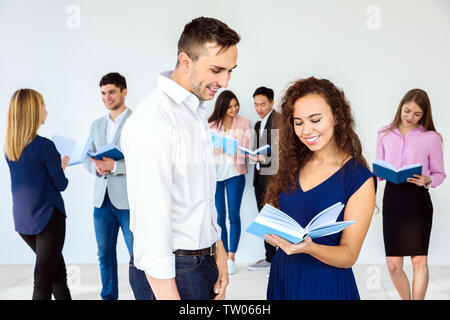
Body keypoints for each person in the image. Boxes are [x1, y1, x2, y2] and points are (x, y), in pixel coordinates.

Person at [121, 17, 240, 300]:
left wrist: (217, 248)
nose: (225, 82)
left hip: (200, 262)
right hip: (172, 272)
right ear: (185, 61)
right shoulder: (154, 120)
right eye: (217, 70)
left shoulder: (194, 110)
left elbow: (199, 197)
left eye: (230, 71)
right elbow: (152, 225)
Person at [263, 77, 376, 300]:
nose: (306, 130)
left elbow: (349, 255)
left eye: (315, 119)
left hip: (325, 284)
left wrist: (309, 247)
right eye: (298, 122)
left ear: (336, 116)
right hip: (284, 275)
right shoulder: (291, 166)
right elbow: (276, 213)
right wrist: (271, 232)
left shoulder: (358, 178)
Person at [84, 72, 151, 300]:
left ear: (124, 92)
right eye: (103, 93)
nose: (107, 97)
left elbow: (145, 160)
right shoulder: (96, 125)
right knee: (104, 254)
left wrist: (115, 166)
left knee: (137, 254)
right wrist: (98, 167)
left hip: (128, 201)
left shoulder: (137, 121)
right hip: (101, 200)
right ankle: (108, 297)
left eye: (112, 91)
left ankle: (144, 296)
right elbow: (86, 157)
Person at [376, 88, 446, 300]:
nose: (410, 117)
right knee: (393, 265)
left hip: (418, 201)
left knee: (419, 261)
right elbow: (378, 170)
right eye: (407, 111)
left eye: (417, 114)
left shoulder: (432, 137)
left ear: (424, 114)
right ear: (401, 107)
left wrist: (428, 179)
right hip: (393, 199)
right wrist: (377, 174)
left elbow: (440, 174)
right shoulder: (384, 133)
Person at [4, 89, 72, 300]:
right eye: (43, 106)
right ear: (33, 111)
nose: (46, 111)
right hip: (48, 220)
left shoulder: (10, 148)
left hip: (24, 222)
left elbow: (33, 177)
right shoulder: (45, 146)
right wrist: (60, 168)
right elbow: (61, 184)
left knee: (57, 275)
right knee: (43, 281)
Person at [208, 90, 251, 275]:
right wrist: (213, 152)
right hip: (216, 176)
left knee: (233, 215)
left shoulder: (244, 123)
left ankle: (232, 256)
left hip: (235, 174)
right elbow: (202, 152)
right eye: (230, 106)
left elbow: (248, 150)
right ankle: (223, 256)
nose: (234, 109)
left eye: (236, 105)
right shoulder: (210, 124)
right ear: (222, 107)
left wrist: (232, 150)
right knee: (219, 218)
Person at [247, 86, 280, 272]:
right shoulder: (258, 125)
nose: (259, 108)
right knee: (264, 219)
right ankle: (270, 257)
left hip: (274, 179)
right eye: (256, 104)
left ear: (272, 103)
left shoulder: (279, 120)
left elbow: (283, 153)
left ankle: (280, 259)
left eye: (263, 104)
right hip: (259, 179)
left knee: (276, 218)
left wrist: (263, 158)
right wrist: (252, 155)